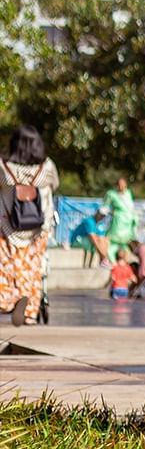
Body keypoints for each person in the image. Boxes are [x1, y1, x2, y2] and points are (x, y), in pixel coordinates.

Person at [0, 124, 59, 326]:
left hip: (6, 227)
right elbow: (55, 185)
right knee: (33, 270)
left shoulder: (3, 167)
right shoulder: (47, 167)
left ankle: (10, 300)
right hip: (38, 228)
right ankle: (30, 312)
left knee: (7, 269)